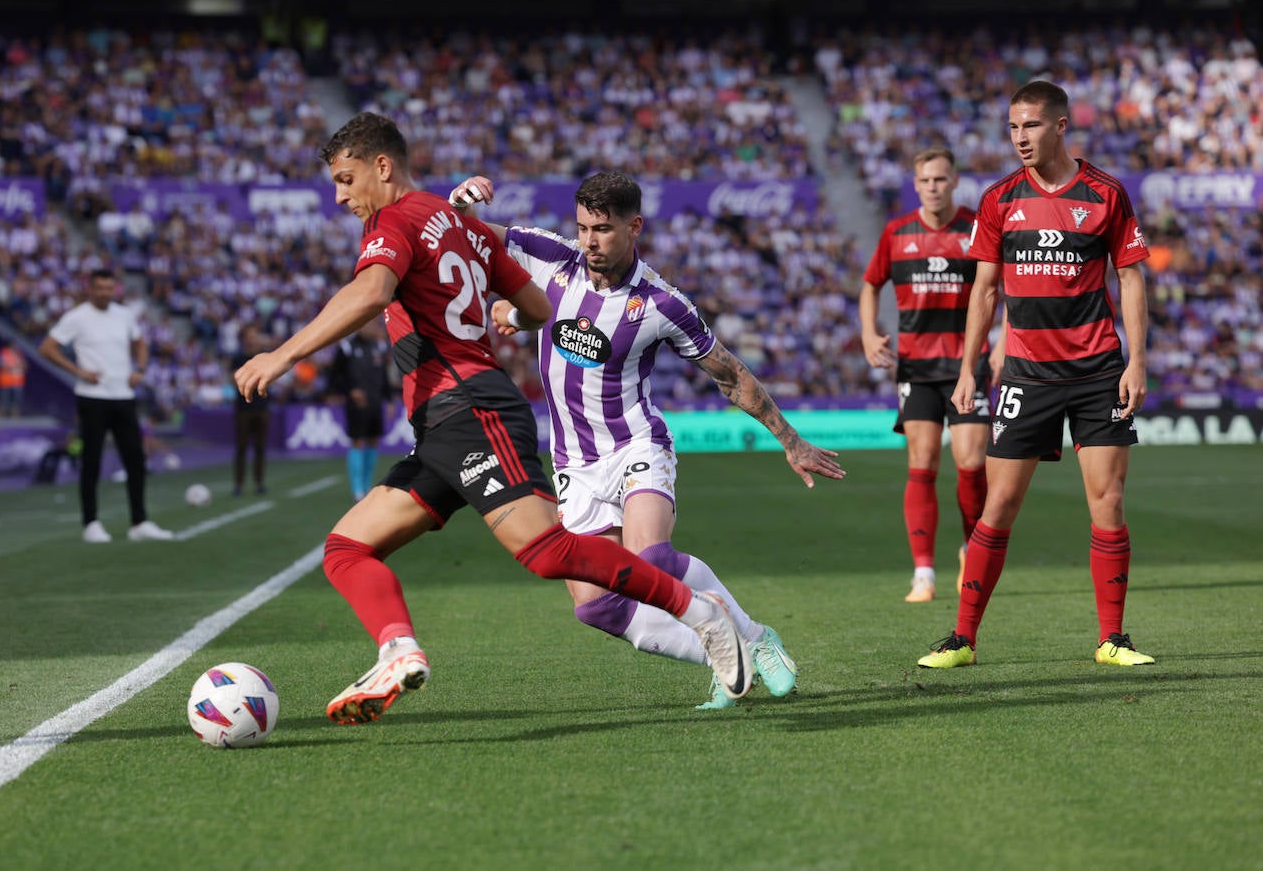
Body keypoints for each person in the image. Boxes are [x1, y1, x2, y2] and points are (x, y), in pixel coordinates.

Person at [233, 112, 755, 726]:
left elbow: (372, 293)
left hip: (471, 408)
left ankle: (698, 612)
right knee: (346, 549)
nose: (341, 196)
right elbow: (536, 307)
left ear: (383, 166)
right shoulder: (461, 225)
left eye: (346, 179)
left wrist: (282, 353)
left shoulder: (392, 221)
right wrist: (502, 316)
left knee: (546, 550)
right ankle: (398, 649)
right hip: (441, 424)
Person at [448, 171, 847, 709]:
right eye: (584, 227)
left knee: (651, 556)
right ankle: (725, 654)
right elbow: (471, 236)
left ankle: (756, 636)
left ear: (635, 227)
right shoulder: (550, 257)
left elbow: (728, 373)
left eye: (604, 230)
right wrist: (459, 205)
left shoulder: (661, 303)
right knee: (595, 606)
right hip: (574, 463)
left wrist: (790, 440)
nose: (590, 241)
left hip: (636, 444)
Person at [919, 80, 1154, 669]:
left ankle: (1112, 639)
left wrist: (1137, 360)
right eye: (1013, 127)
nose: (1020, 137)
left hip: (1098, 369)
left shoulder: (1105, 193)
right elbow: (985, 290)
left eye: (1030, 126)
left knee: (1109, 502)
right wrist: (969, 367)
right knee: (998, 506)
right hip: (1025, 374)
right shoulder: (1000, 199)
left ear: (1060, 126)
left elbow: (1130, 277)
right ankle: (963, 639)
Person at [859, 146, 1001, 604]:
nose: (933, 187)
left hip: (968, 364)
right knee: (921, 464)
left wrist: (1006, 341)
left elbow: (1005, 286)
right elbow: (870, 284)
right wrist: (868, 332)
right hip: (917, 365)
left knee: (972, 464)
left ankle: (970, 552)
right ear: (915, 184)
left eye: (940, 179)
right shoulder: (898, 233)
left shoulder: (976, 230)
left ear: (954, 180)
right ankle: (923, 573)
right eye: (925, 180)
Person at [40, 269, 173, 544]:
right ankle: (91, 523)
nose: (104, 292)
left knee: (135, 459)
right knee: (91, 460)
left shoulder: (123, 315)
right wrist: (77, 371)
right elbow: (47, 348)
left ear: (115, 290)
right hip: (92, 395)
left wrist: (141, 368)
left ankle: (139, 521)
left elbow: (140, 343)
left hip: (122, 394)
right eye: (99, 287)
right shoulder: (77, 317)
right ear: (90, 289)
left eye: (109, 288)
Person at [327, 316, 393, 501]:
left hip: (375, 402)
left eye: (374, 324)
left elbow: (383, 376)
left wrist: (388, 400)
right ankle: (357, 488)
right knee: (357, 441)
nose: (372, 327)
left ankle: (367, 484)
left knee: (373, 441)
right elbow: (334, 377)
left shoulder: (379, 347)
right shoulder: (347, 348)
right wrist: (351, 391)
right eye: (368, 323)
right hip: (356, 404)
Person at [230, 324, 271, 497]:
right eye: (249, 335)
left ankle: (259, 482)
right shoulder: (238, 358)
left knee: (260, 447)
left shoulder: (264, 357)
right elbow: (236, 380)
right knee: (242, 447)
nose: (252, 338)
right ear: (244, 338)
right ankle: (239, 484)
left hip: (261, 407)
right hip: (244, 408)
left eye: (255, 335)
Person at [0, 338, 27, 418]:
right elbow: (2, 365)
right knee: (4, 399)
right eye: (14, 345)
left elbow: (24, 366)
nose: (16, 347)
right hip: (6, 381)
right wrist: (14, 367)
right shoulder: (3, 353)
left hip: (17, 381)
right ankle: (2, 414)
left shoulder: (19, 354)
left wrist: (19, 366)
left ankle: (14, 415)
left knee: (17, 399)